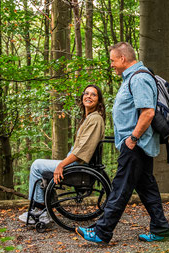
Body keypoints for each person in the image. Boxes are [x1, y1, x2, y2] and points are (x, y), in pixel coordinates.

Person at [75, 42, 169, 244]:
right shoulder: (134, 78)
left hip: (135, 145)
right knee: (147, 188)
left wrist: (132, 138)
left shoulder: (139, 79)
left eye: (112, 60)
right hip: (137, 145)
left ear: (122, 58)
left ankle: (102, 232)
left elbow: (148, 112)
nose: (111, 65)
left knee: (120, 188)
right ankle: (161, 229)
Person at [19, 85, 106, 225]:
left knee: (36, 165)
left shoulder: (95, 119)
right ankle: (41, 207)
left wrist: (61, 164)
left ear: (99, 101)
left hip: (78, 164)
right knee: (40, 166)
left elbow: (82, 151)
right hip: (76, 162)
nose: (89, 96)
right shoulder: (89, 118)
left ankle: (39, 210)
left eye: (93, 95)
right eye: (86, 93)